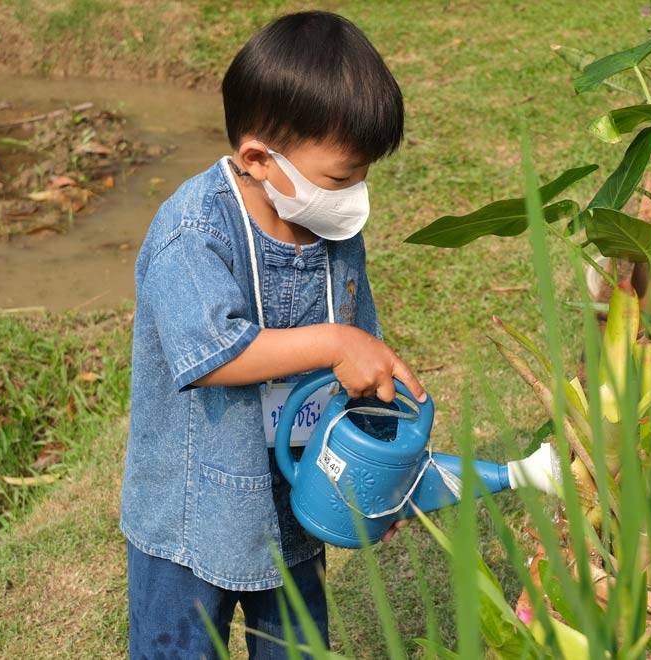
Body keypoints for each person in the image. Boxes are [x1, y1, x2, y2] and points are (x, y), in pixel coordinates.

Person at [119, 10, 425, 658]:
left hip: (296, 501)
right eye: (340, 180)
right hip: (190, 519)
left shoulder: (331, 229)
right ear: (258, 157)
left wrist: (377, 477)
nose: (355, 197)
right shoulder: (193, 233)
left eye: (363, 175)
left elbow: (355, 357)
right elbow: (211, 355)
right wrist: (336, 344)